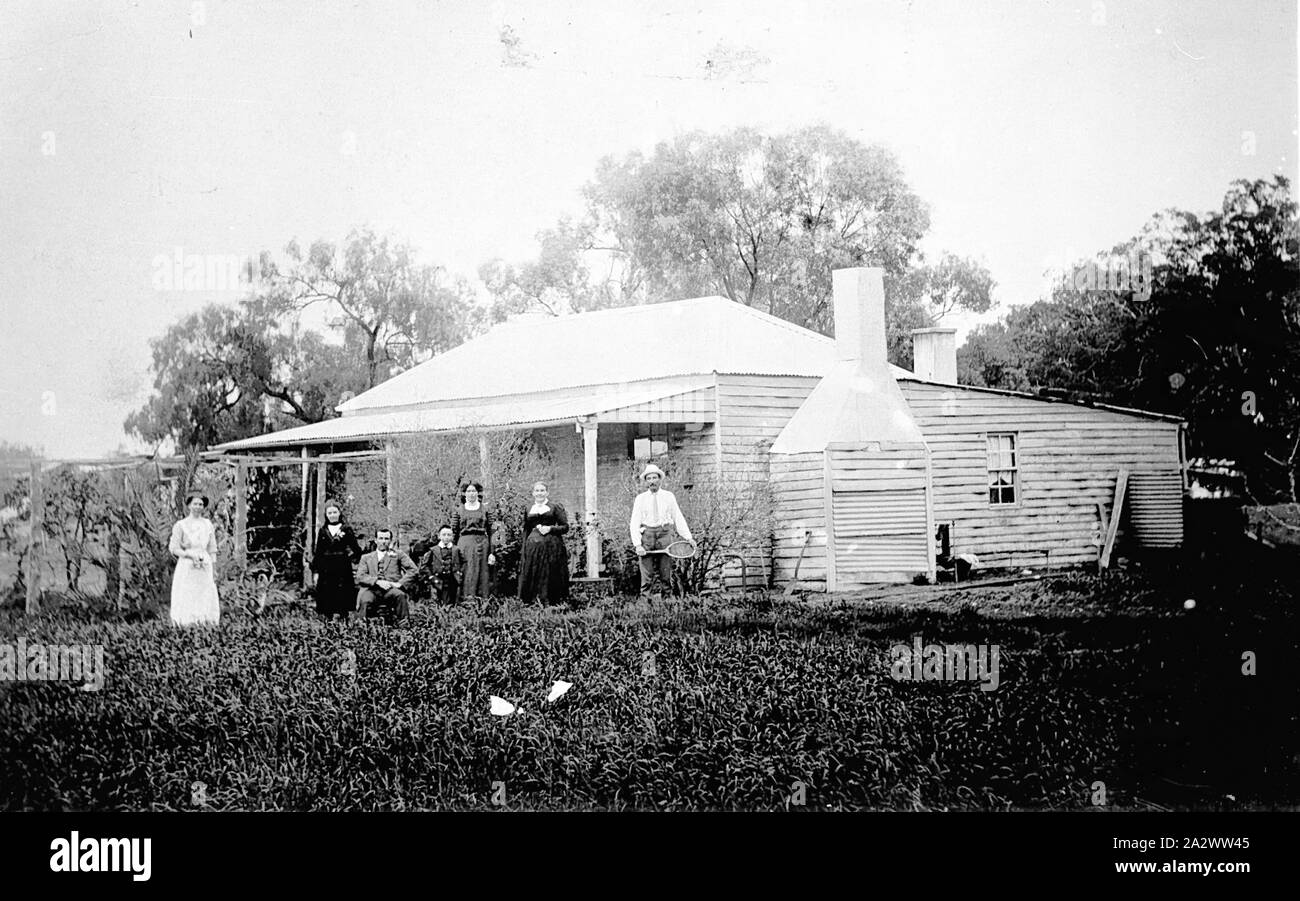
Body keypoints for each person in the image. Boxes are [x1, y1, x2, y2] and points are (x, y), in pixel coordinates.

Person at [629, 463, 694, 603]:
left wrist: (688, 537)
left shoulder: (668, 496)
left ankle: (667, 604)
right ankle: (644, 606)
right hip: (647, 537)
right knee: (646, 576)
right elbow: (634, 522)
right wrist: (637, 544)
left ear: (660, 479)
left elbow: (678, 517)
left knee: (666, 574)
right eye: (649, 478)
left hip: (665, 535)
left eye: (655, 477)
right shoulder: (640, 499)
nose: (652, 481)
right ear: (646, 481)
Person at [168, 493, 221, 626]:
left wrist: (214, 569)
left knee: (204, 592)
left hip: (205, 563)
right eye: (195, 504)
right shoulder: (180, 525)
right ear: (189, 505)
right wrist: (189, 555)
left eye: (201, 504)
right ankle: (187, 622)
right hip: (187, 564)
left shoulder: (208, 524)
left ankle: (205, 621)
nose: (198, 507)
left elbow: (212, 548)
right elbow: (173, 548)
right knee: (188, 592)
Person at [517, 482, 570, 605]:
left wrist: (550, 529)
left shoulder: (555, 507)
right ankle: (533, 603)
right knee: (534, 572)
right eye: (537, 491)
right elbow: (526, 529)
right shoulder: (528, 508)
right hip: (533, 548)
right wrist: (524, 548)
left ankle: (552, 603)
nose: (539, 493)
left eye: (542, 490)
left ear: (547, 492)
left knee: (549, 573)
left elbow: (565, 527)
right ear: (533, 493)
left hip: (551, 547)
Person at [310, 502, 363, 621]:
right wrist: (316, 571)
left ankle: (344, 621)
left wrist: (350, 559)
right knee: (327, 595)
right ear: (326, 515)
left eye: (335, 512)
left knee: (343, 595)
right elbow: (318, 552)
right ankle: (328, 622)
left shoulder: (346, 529)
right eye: (330, 513)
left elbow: (356, 549)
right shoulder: (323, 531)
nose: (332, 515)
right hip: (326, 568)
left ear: (339, 513)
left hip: (342, 568)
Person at [356, 527, 419, 624]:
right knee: (365, 600)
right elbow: (360, 576)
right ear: (376, 540)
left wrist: (400, 583)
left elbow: (413, 570)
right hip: (372, 590)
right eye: (381, 538)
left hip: (391, 589)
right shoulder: (366, 557)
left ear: (390, 540)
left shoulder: (398, 554)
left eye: (386, 539)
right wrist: (377, 581)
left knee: (400, 595)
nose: (383, 541)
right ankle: (361, 628)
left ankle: (404, 626)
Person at [451, 482, 496, 601]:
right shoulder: (459, 510)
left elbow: (493, 531)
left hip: (482, 545)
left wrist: (492, 552)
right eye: (469, 491)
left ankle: (482, 601)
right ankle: (466, 601)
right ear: (465, 494)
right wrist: (452, 551)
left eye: (474, 491)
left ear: (478, 493)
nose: (471, 494)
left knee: (483, 572)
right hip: (464, 545)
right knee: (466, 571)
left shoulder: (485, 509)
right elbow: (454, 532)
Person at [420, 525, 466, 606]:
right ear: (439, 536)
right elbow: (424, 566)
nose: (446, 537)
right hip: (437, 580)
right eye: (444, 535)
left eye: (449, 535)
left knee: (453, 602)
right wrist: (431, 576)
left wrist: (460, 573)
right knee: (438, 602)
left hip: (453, 580)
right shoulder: (433, 550)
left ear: (452, 536)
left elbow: (464, 562)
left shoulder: (456, 549)